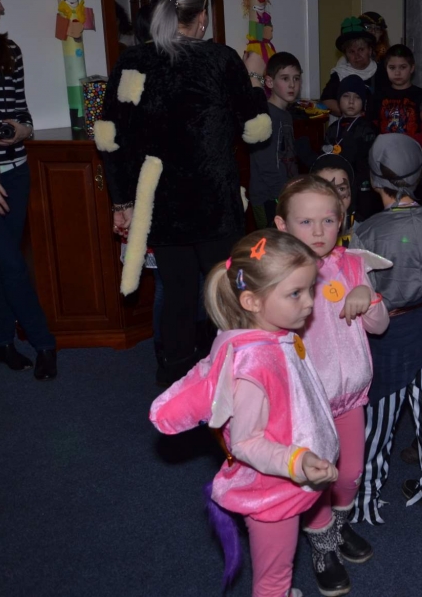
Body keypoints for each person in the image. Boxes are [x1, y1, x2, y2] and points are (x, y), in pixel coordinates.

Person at [97, 0, 272, 386]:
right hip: (214, 199)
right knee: (223, 290)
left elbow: (112, 137)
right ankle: (228, 374)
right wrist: (253, 80)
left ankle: (176, 377)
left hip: (161, 199)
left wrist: (121, 200)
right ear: (203, 16)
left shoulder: (134, 61)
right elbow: (255, 129)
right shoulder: (221, 59)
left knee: (176, 291)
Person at [149, 230, 340, 597]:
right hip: (272, 490)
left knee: (279, 570)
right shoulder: (252, 367)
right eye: (296, 293)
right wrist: (297, 460)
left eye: (310, 289)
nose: (309, 303)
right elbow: (246, 442)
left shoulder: (278, 333)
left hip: (290, 475)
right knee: (274, 577)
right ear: (251, 301)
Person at [274, 176, 389, 595]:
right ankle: (322, 545)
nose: (319, 231)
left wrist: (368, 298)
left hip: (351, 394)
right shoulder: (277, 274)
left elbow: (379, 327)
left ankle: (338, 528)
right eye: (305, 222)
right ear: (282, 226)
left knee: (351, 472)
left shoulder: (354, 265)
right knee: (316, 477)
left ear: (341, 221)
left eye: (327, 220)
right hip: (307, 405)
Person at [348, 133, 422, 523]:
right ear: (420, 177)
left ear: (374, 180)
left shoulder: (365, 231)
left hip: (386, 337)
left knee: (377, 422)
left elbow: (357, 296)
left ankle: (364, 499)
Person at [0, 0, 57, 380]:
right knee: (13, 263)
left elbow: (23, 113)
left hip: (15, 174)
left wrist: (22, 130)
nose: (0, 6)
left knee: (7, 263)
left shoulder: (9, 51)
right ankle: (44, 344)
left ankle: (2, 340)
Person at [249, 51, 315, 228]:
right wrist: (282, 195)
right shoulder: (266, 115)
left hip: (285, 194)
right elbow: (265, 162)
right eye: (285, 78)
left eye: (296, 78)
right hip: (268, 197)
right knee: (272, 241)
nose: (292, 84)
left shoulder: (285, 115)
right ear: (270, 82)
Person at [323, 75, 379, 220]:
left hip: (362, 189)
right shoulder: (333, 128)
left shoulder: (368, 128)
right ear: (338, 100)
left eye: (357, 97)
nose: (351, 101)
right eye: (346, 96)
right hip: (336, 186)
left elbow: (369, 162)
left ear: (364, 102)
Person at [368, 44, 422, 149]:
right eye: (392, 67)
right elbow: (371, 128)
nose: (397, 72)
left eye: (403, 67)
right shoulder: (377, 96)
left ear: (412, 68)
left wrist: (408, 143)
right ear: (386, 68)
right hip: (384, 152)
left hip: (412, 152)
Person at [320, 17, 382, 117]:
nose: (357, 55)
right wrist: (351, 114)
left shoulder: (382, 72)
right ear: (346, 55)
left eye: (361, 50)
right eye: (351, 51)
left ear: (370, 50)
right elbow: (326, 101)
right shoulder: (339, 74)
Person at [312, 153, 358, 246]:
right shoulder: (305, 233)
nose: (335, 197)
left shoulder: (363, 233)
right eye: (327, 189)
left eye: (341, 189)